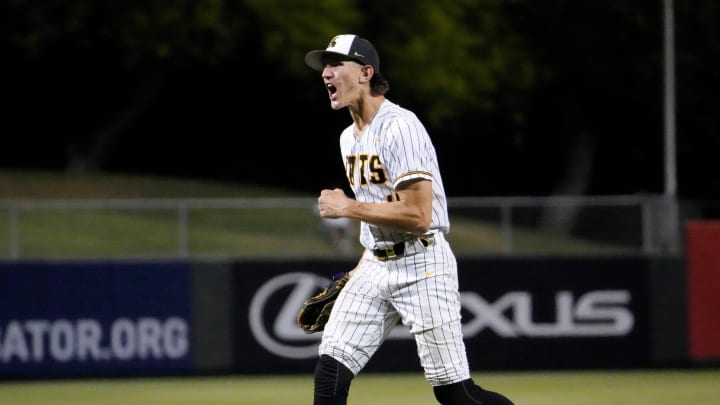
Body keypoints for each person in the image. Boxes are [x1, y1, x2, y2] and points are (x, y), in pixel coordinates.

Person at [304, 34, 515, 405]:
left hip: (423, 264)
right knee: (330, 373)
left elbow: (419, 215)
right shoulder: (347, 139)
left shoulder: (401, 126)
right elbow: (379, 208)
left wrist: (347, 207)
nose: (325, 72)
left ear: (366, 72)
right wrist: (361, 264)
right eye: (324, 65)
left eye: (336, 64)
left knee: (455, 394)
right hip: (374, 265)